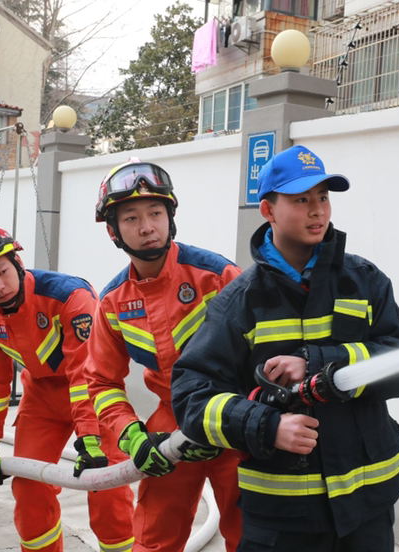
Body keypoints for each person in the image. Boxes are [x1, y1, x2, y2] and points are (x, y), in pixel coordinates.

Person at [171, 145, 399, 551]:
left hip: (368, 510)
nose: (318, 210)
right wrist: (267, 426)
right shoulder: (238, 303)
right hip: (282, 519)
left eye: (323, 197)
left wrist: (320, 364)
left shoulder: (364, 280)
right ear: (268, 211)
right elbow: (191, 397)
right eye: (301, 200)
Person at [85, 159, 243, 552]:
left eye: (155, 213)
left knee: (252, 536)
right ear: (113, 231)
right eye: (131, 218)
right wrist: (133, 437)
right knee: (154, 539)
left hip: (234, 415)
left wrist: (242, 418)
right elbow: (101, 382)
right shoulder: (113, 302)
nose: (147, 227)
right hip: (170, 425)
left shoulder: (218, 276)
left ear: (170, 217)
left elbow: (264, 355)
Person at [0, 223, 134, 552]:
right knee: (29, 489)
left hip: (93, 393)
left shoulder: (69, 296)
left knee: (108, 486)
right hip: (40, 400)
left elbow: (85, 372)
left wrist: (90, 436)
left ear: (18, 262)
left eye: (2, 272)